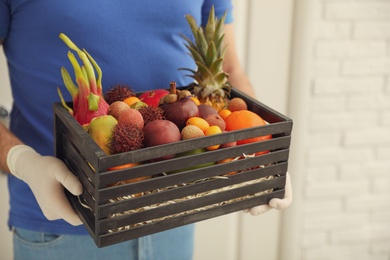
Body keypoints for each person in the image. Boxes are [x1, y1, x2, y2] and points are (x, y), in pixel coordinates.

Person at [0, 1, 292, 259]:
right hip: (62, 226)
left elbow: (229, 68)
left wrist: (261, 144)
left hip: (173, 213)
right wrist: (23, 162)